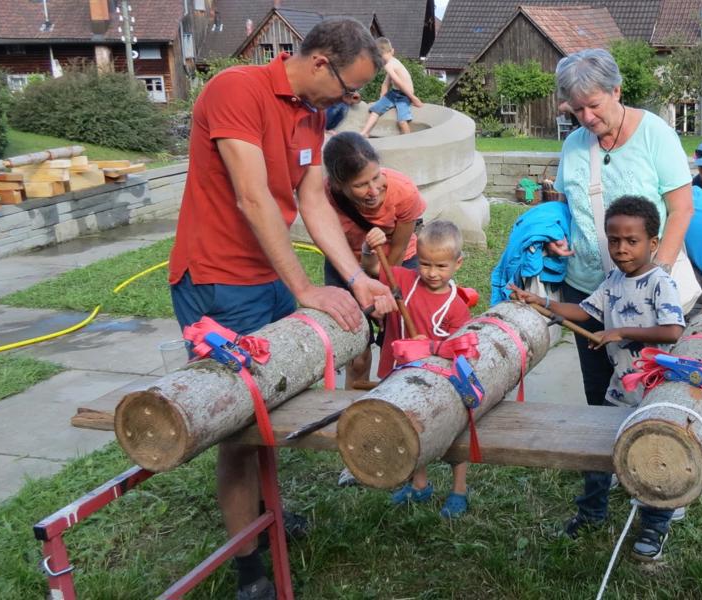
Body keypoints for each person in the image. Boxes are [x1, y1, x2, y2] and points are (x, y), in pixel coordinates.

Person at [166, 18, 394, 600]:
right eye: (349, 88)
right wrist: (305, 290)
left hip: (264, 277)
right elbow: (251, 196)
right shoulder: (236, 89)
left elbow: (311, 195)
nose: (352, 101)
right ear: (320, 62)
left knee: (270, 408)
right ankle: (249, 567)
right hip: (217, 283)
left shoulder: (313, 112)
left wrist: (352, 279)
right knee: (239, 427)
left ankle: (267, 515)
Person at [547, 48, 694, 553]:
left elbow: (680, 209)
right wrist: (559, 241)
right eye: (575, 110)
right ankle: (595, 502)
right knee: (599, 403)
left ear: (616, 91)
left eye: (593, 105)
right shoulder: (573, 146)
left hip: (648, 298)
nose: (586, 118)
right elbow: (569, 207)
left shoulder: (655, 133)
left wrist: (659, 277)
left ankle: (655, 512)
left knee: (654, 404)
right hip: (587, 289)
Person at [509, 196, 685, 561]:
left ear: (653, 243)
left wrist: (620, 333)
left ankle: (655, 524)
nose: (621, 249)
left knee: (656, 458)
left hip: (654, 393)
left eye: (631, 241)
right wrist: (542, 302)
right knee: (596, 451)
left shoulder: (660, 283)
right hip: (620, 388)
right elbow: (585, 311)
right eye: (614, 240)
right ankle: (591, 513)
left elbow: (672, 330)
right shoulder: (613, 280)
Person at [363, 220, 475, 517]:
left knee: (454, 432)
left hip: (438, 381)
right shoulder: (403, 281)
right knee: (413, 426)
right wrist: (368, 248)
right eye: (425, 264)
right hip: (403, 373)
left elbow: (460, 351)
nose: (432, 273)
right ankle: (420, 484)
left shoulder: (456, 307)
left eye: (441, 266)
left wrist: (431, 346)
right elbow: (374, 268)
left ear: (457, 263)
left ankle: (459, 489)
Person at [321, 131, 426, 390]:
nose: (373, 191)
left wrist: (384, 293)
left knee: (399, 342)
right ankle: (352, 410)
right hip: (345, 266)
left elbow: (399, 251)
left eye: (376, 177)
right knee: (356, 351)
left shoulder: (404, 192)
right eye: (360, 185)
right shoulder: (325, 195)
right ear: (338, 185)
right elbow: (327, 238)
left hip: (396, 265)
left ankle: (401, 398)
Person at [359, 38, 423, 137]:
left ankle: (409, 139)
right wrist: (381, 100)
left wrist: (413, 98)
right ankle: (365, 132)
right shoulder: (392, 63)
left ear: (379, 56)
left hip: (404, 95)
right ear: (392, 51)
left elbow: (400, 83)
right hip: (394, 93)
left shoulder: (389, 65)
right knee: (376, 109)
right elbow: (385, 84)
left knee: (402, 120)